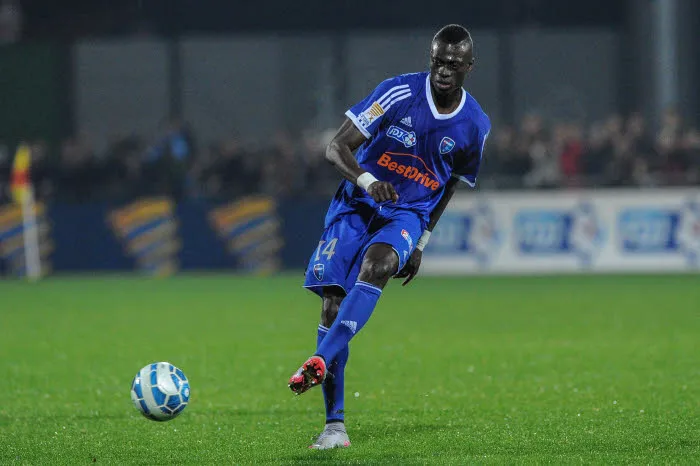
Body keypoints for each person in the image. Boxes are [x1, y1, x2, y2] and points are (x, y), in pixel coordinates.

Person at [288, 24, 491, 449]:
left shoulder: (475, 124)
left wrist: (421, 242)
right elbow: (336, 147)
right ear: (430, 58)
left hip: (408, 211)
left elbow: (450, 181)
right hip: (356, 204)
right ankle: (335, 428)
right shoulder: (398, 93)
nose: (443, 70)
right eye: (438, 61)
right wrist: (365, 180)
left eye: (454, 64)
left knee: (378, 265)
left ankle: (320, 360)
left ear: (469, 67)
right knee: (331, 306)